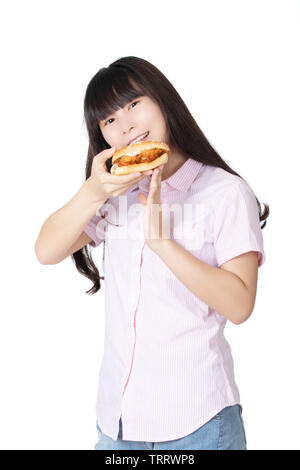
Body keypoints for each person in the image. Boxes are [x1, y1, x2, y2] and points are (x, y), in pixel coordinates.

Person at [34, 56, 269, 450]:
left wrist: (162, 243)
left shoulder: (225, 192)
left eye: (132, 104)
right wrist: (94, 190)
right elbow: (45, 250)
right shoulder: (115, 195)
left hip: (199, 424)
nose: (124, 125)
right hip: (118, 425)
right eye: (108, 120)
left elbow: (241, 304)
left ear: (162, 101)